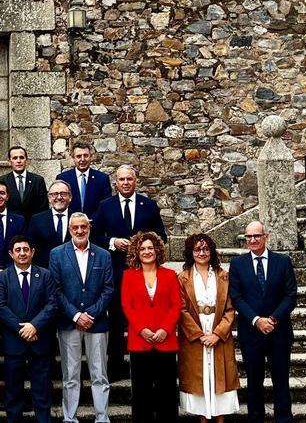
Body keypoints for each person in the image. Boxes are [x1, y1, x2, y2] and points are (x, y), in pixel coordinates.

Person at [93, 163, 168, 377]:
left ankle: (146, 367)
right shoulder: (105, 206)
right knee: (116, 318)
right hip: (117, 272)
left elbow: (162, 236)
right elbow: (94, 235)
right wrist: (113, 242)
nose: (126, 183)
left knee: (147, 317)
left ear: (136, 181)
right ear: (115, 183)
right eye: (121, 179)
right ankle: (115, 367)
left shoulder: (149, 205)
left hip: (146, 273)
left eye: (129, 179)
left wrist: (146, 244)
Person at [49, 213, 114, 423]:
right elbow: (56, 290)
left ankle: (102, 418)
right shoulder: (57, 254)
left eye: (83, 227)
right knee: (70, 375)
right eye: (75, 227)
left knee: (99, 375)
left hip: (97, 323)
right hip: (69, 322)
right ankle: (70, 418)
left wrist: (91, 314)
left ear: (89, 228)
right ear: (69, 229)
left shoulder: (103, 255)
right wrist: (76, 315)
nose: (79, 231)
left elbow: (108, 288)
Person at [229, 221, 297, 423]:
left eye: (256, 236)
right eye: (248, 237)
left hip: (279, 332)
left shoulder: (282, 261)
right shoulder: (237, 264)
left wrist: (273, 319)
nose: (252, 240)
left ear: (265, 236)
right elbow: (237, 297)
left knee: (281, 379)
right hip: (251, 332)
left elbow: (291, 295)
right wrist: (257, 320)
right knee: (254, 381)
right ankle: (255, 418)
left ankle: (283, 418)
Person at [0, 235, 58, 423]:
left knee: (42, 390)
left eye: (25, 249)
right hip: (14, 342)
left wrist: (34, 326)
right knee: (13, 392)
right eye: (18, 250)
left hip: (40, 340)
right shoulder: (2, 277)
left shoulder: (45, 274)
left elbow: (52, 304)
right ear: (11, 254)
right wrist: (22, 328)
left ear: (32, 252)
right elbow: (0, 306)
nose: (22, 253)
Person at [177, 234, 240, 423]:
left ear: (211, 251)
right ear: (191, 252)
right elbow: (181, 309)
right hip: (195, 334)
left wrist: (217, 334)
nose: (202, 253)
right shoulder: (182, 278)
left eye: (205, 249)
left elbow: (230, 309)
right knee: (199, 378)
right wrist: (198, 334)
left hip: (218, 330)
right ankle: (202, 420)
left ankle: (220, 420)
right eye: (197, 249)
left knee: (220, 378)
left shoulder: (223, 276)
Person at [121, 230, 182, 422]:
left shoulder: (171, 275)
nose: (147, 251)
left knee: (167, 391)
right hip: (140, 341)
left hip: (166, 340)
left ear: (157, 250)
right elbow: (127, 305)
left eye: (150, 248)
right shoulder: (129, 275)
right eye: (142, 248)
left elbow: (176, 305)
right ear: (136, 252)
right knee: (141, 391)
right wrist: (142, 329)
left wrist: (165, 329)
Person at [26, 180, 74, 268]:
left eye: (63, 194)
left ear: (70, 197)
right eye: (54, 194)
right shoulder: (37, 220)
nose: (59, 197)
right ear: (49, 198)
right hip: (45, 272)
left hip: (72, 272)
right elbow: (31, 248)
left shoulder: (78, 218)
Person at [56, 142, 112, 215]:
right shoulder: (63, 178)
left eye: (86, 155)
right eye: (79, 156)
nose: (82, 159)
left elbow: (106, 205)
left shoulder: (102, 179)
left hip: (95, 224)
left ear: (90, 157)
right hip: (70, 224)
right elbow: (59, 204)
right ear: (73, 158)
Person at [0, 145, 48, 219]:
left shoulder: (38, 180)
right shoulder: (2, 181)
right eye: (15, 158)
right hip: (11, 225)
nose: (18, 161)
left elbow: (43, 207)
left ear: (26, 161)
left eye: (21, 157)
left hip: (33, 225)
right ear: (9, 162)